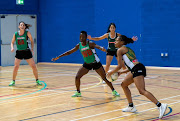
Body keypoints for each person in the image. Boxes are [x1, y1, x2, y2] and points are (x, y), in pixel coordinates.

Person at [107, 35, 167, 119]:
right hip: (137, 68)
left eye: (117, 41)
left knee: (142, 90)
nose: (115, 42)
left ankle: (160, 105)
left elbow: (120, 65)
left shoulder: (119, 50)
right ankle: (131, 106)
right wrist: (121, 73)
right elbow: (131, 65)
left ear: (122, 42)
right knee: (124, 84)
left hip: (137, 69)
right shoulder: (128, 49)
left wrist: (111, 72)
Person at [52, 31, 120, 97]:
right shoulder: (79, 45)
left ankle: (114, 91)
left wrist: (102, 48)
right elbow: (69, 52)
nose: (81, 38)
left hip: (95, 63)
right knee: (77, 77)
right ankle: (78, 92)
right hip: (87, 64)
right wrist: (59, 57)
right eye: (80, 37)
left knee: (104, 78)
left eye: (83, 37)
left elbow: (97, 46)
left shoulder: (90, 43)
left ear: (86, 37)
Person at [9, 21, 42, 86]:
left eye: (23, 25)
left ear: (24, 27)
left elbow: (32, 41)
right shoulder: (15, 34)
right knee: (16, 67)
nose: (22, 26)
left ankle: (37, 80)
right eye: (21, 25)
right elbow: (12, 42)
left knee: (33, 66)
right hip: (19, 52)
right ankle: (13, 81)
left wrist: (32, 49)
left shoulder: (27, 33)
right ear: (19, 26)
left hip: (26, 51)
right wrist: (12, 47)